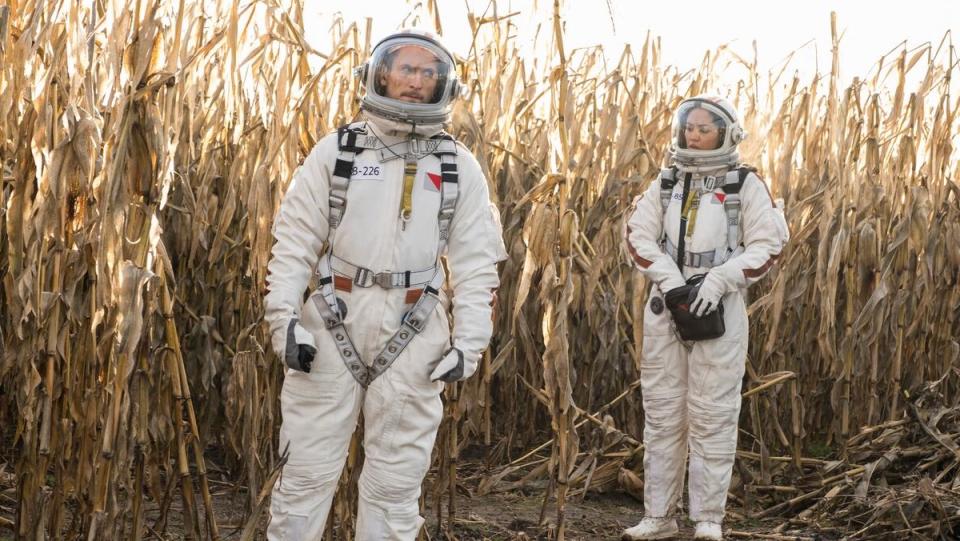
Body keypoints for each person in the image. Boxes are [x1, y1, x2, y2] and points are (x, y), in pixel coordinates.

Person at [263, 29, 507, 540]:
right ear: (378, 75)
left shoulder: (457, 165)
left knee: (396, 487)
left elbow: (477, 260)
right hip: (333, 322)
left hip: (415, 329)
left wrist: (470, 342)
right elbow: (294, 241)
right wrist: (283, 320)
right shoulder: (339, 152)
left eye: (426, 73)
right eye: (405, 69)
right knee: (304, 474)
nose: (415, 82)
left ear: (443, 86)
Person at [621, 96, 790, 540]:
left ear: (727, 134)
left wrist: (718, 281)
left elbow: (767, 244)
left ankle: (708, 519)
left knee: (713, 413)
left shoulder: (744, 184)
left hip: (720, 309)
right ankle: (659, 517)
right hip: (667, 306)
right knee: (662, 414)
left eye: (704, 129)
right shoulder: (666, 182)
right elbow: (637, 234)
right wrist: (671, 282)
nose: (693, 135)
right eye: (688, 127)